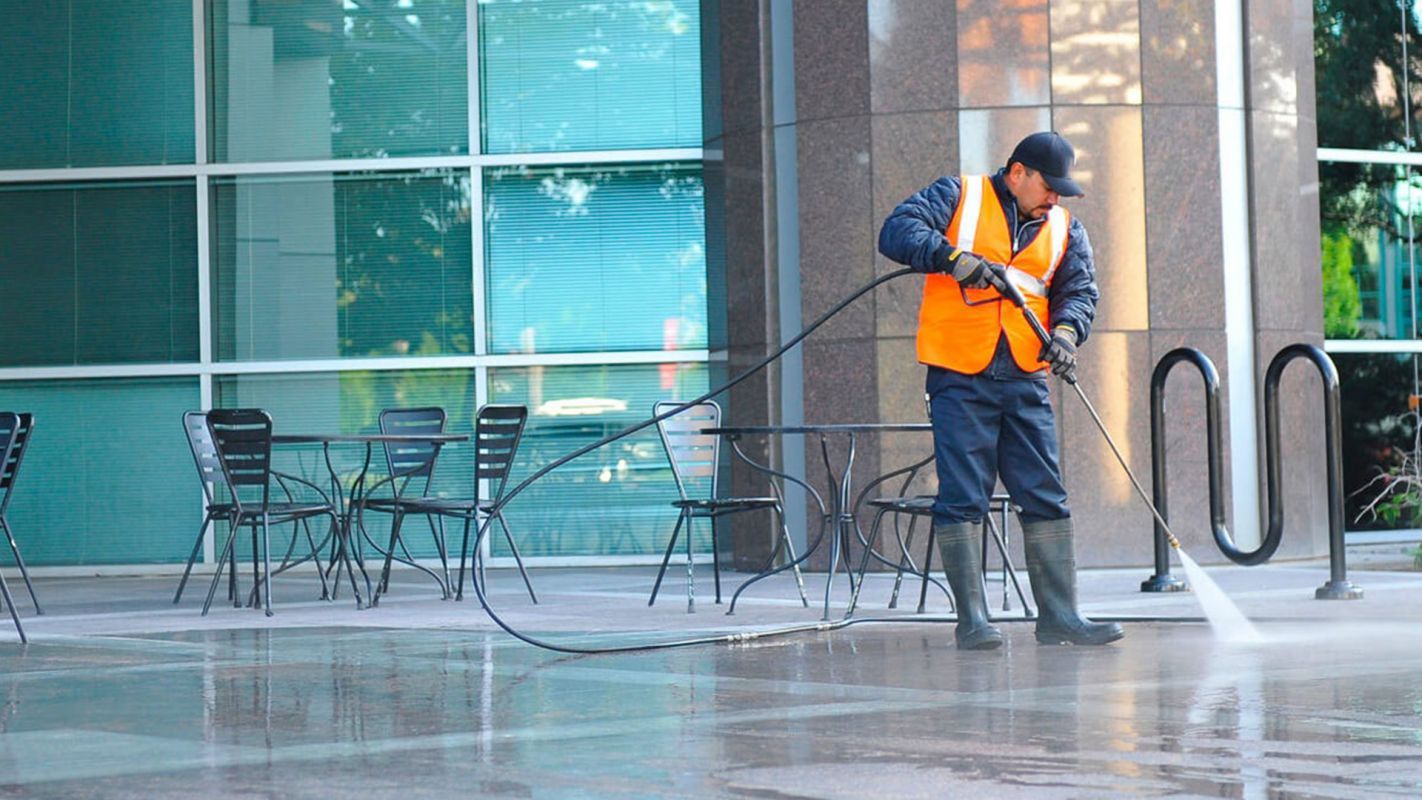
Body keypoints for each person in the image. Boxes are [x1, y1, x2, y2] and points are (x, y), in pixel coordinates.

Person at [877, 131, 1124, 650]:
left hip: (1024, 375)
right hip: (959, 373)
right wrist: (948, 257)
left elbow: (1078, 291)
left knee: (1045, 494)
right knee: (964, 495)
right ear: (1017, 173)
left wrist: (1064, 334)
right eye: (1048, 186)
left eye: (1061, 189)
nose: (1055, 197)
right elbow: (896, 230)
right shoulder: (958, 196)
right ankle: (973, 622)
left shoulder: (1064, 230)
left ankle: (1060, 616)